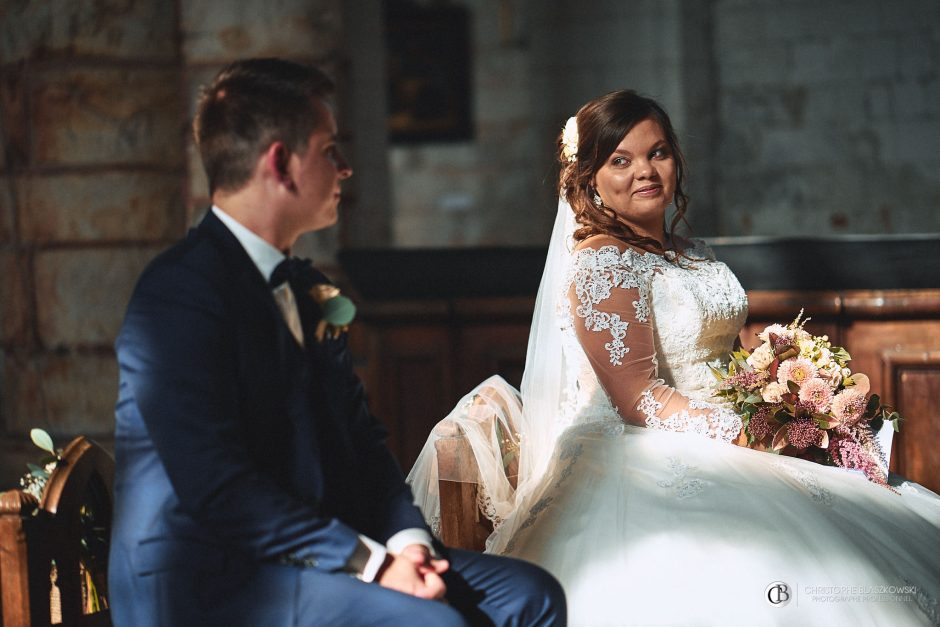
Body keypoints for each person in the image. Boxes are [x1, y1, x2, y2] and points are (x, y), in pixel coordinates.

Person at [408, 90, 940, 626]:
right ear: (589, 176)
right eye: (621, 159)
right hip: (639, 448)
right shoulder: (603, 261)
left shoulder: (691, 253)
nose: (645, 171)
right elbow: (638, 399)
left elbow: (730, 363)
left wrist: (790, 403)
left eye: (657, 153)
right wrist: (753, 434)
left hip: (720, 425)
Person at [108, 57, 565, 626]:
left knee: (532, 595)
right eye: (330, 150)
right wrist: (372, 565)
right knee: (432, 623)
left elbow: (361, 443)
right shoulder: (179, 292)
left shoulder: (304, 290)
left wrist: (408, 543)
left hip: (315, 555)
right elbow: (220, 489)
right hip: (211, 577)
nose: (345, 169)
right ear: (280, 162)